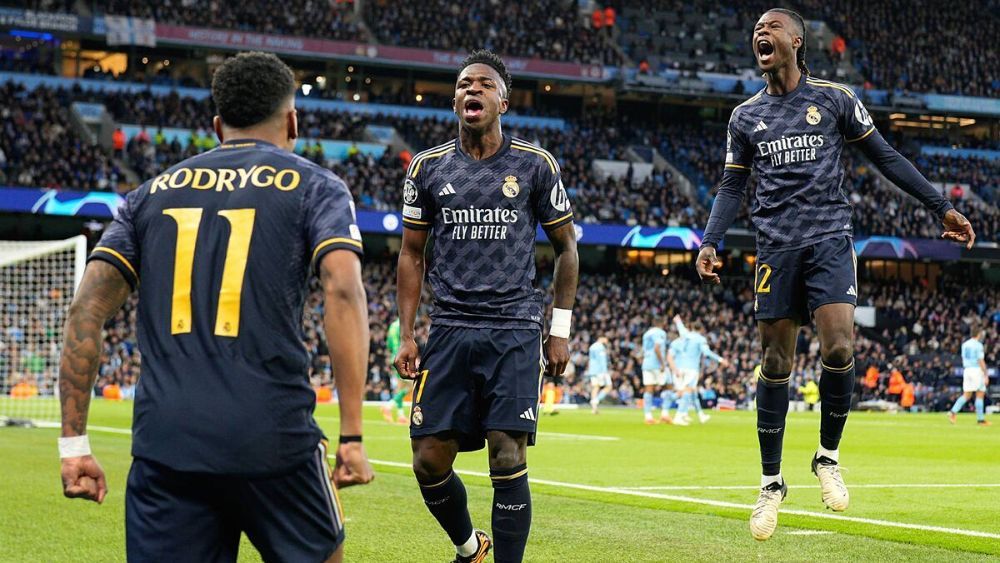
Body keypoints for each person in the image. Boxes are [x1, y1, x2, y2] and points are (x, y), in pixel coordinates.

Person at [57, 52, 374, 562]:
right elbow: (342, 288)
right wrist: (352, 435)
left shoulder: (148, 196)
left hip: (167, 448)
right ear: (292, 121)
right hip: (274, 441)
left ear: (216, 125)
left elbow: (86, 310)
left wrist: (73, 444)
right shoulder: (316, 186)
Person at [695, 8, 975, 542]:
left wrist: (940, 207)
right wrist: (710, 241)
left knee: (840, 348)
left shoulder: (834, 98)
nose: (760, 33)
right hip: (774, 248)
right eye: (756, 29)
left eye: (771, 27)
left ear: (797, 41)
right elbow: (732, 188)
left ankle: (826, 458)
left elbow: (885, 157)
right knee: (775, 361)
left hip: (828, 239)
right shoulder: (744, 117)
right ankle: (771, 484)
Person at [393, 50, 578, 563]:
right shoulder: (427, 168)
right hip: (449, 327)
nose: (470, 90)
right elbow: (411, 254)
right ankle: (470, 547)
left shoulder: (535, 165)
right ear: (455, 99)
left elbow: (567, 249)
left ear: (503, 99)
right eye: (462, 84)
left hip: (514, 327)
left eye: (482, 84)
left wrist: (558, 330)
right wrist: (407, 333)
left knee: (506, 455)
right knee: (428, 460)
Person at [668, 316, 728, 426]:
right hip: (691, 368)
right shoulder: (700, 339)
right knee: (687, 391)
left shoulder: (685, 334)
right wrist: (721, 359)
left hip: (680, 366)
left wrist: (678, 321)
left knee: (692, 391)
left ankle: (700, 415)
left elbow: (680, 327)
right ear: (701, 329)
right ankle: (679, 415)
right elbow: (707, 352)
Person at [949, 324, 991, 426]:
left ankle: (952, 412)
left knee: (967, 395)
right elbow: (980, 360)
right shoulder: (978, 345)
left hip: (967, 370)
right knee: (980, 394)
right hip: (976, 370)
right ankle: (980, 420)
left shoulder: (965, 344)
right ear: (979, 334)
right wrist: (985, 374)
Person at [640, 319, 671, 425]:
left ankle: (648, 416)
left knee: (649, 389)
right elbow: (657, 348)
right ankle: (665, 414)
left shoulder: (647, 333)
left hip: (647, 364)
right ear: (661, 324)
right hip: (656, 364)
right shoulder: (660, 333)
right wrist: (662, 363)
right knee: (669, 386)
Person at [382, 317, 411, 424]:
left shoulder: (392, 326)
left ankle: (400, 415)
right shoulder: (405, 325)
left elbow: (389, 345)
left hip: (394, 357)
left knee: (400, 388)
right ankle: (388, 406)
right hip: (402, 357)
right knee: (411, 385)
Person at [586, 336, 613, 414]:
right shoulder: (600, 347)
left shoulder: (592, 346)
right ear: (602, 338)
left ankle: (594, 409)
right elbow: (602, 361)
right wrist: (604, 372)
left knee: (595, 387)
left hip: (592, 370)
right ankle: (596, 400)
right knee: (609, 386)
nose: (607, 341)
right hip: (600, 371)